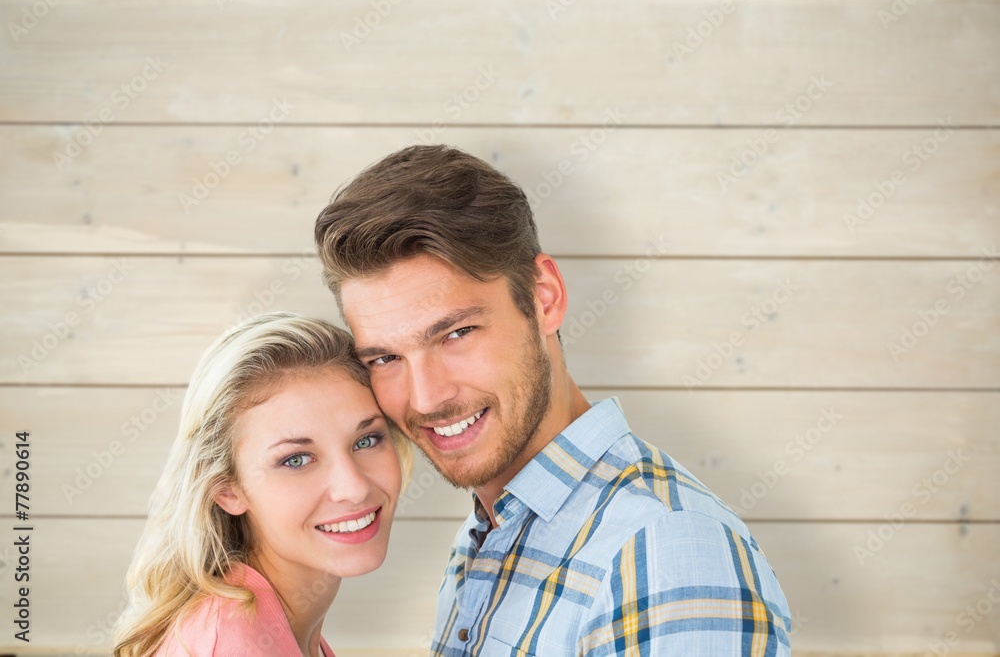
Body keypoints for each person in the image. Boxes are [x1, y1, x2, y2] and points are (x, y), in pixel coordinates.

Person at [314, 145, 793, 655]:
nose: (427, 397)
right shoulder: (488, 536)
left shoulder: (664, 553)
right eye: (385, 358)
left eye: (456, 333)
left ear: (544, 298)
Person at [113, 313, 412, 657]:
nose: (354, 487)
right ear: (227, 489)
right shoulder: (233, 644)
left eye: (366, 440)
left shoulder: (267, 627)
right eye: (296, 459)